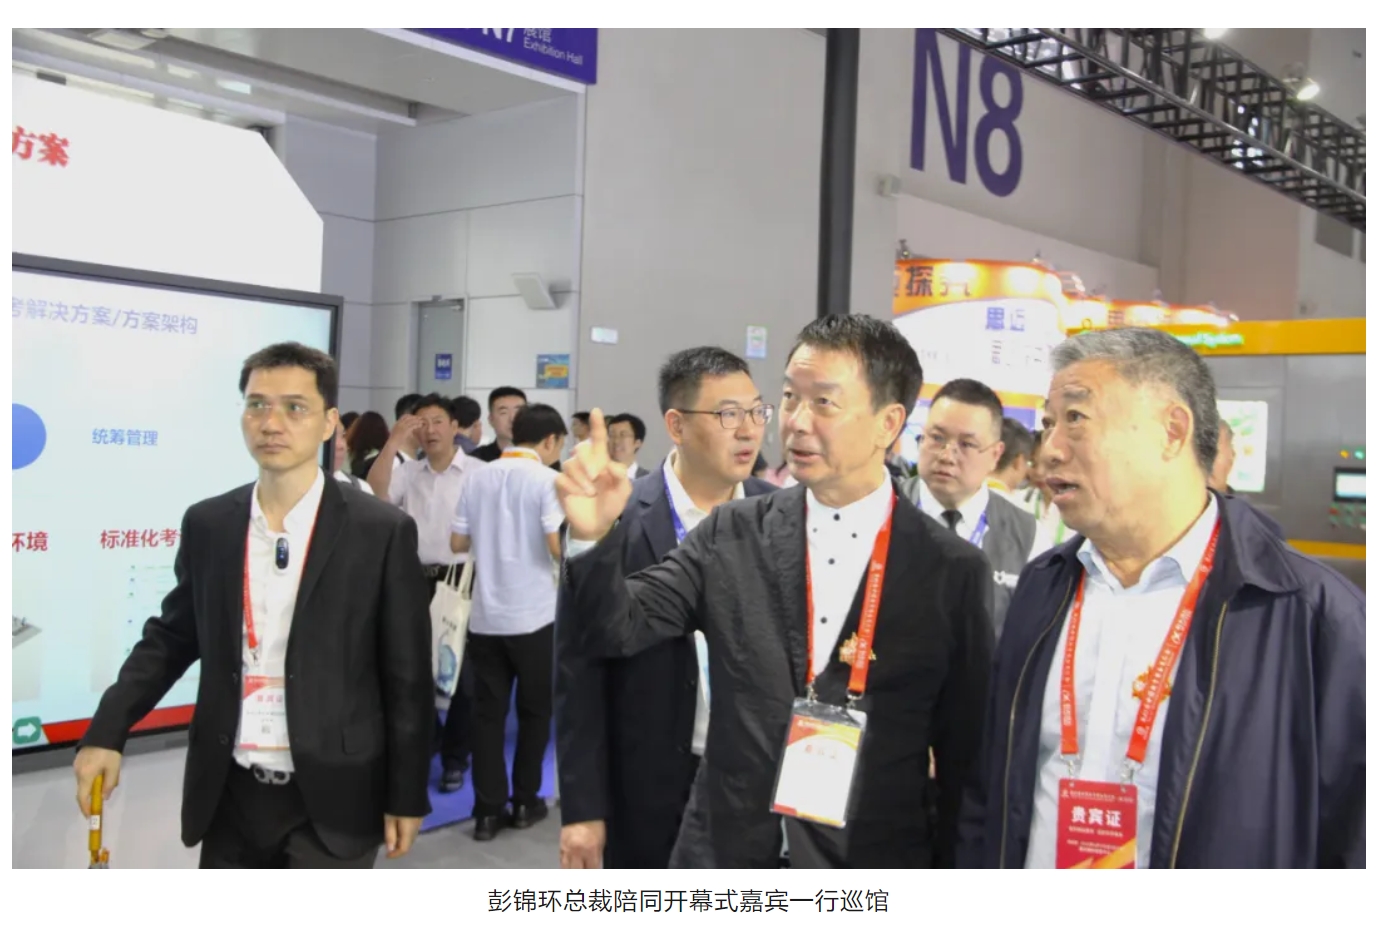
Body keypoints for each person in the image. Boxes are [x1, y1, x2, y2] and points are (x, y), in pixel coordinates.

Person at [557, 314, 994, 869]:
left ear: (888, 423)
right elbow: (615, 627)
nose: (795, 422)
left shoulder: (950, 570)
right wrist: (593, 538)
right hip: (726, 855)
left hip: (866, 861)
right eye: (789, 398)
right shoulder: (732, 531)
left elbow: (965, 758)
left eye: (824, 403)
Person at [957, 327, 1365, 869]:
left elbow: (1354, 839)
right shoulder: (1043, 586)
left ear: (1172, 431)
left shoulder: (1308, 614)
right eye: (1048, 423)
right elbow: (991, 786)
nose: (1048, 449)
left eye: (1075, 418)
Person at [73, 342, 435, 868]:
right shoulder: (211, 523)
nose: (271, 423)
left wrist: (406, 792)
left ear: (329, 422)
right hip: (230, 789)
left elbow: (407, 676)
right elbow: (171, 638)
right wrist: (107, 730)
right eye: (257, 405)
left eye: (295, 407)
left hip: (334, 795)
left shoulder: (379, 531)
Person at [556, 347, 778, 870]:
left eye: (757, 411)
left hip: (756, 784)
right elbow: (577, 667)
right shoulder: (618, 514)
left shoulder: (780, 516)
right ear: (676, 425)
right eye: (728, 414)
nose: (749, 430)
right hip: (646, 783)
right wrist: (583, 808)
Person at [450, 404, 569, 840]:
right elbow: (557, 546)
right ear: (550, 440)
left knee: (487, 717)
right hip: (535, 615)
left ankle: (486, 812)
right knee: (535, 714)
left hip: (486, 616)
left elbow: (457, 541)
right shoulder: (547, 479)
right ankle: (524, 801)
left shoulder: (477, 476)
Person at [367, 393, 487, 793]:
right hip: (416, 579)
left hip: (461, 579)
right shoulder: (409, 471)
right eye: (422, 423)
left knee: (461, 675)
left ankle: (456, 757)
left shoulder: (477, 472)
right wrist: (393, 441)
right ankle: (427, 743)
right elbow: (376, 493)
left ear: (455, 426)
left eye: (438, 421)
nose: (430, 430)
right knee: (415, 669)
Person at [901, 379, 1036, 637]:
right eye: (937, 438)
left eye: (967, 444)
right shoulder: (882, 509)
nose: (947, 456)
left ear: (995, 455)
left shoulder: (1028, 536)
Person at [470, 387, 529, 463]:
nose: (512, 419)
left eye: (518, 412)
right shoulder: (476, 459)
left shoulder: (540, 457)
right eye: (504, 413)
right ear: (491, 420)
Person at [607, 413, 649, 480]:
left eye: (623, 435)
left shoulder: (651, 481)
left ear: (637, 443)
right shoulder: (594, 479)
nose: (616, 441)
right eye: (611, 435)